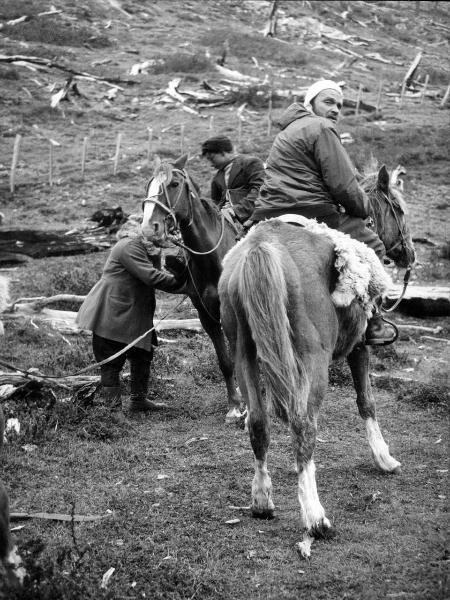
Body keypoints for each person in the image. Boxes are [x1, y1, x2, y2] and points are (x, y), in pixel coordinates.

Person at [247, 79, 395, 345]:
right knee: (374, 247)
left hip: (269, 211)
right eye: (328, 102)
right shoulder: (321, 127)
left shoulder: (286, 132)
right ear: (310, 104)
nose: (336, 109)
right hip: (312, 209)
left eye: (339, 105)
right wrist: (362, 208)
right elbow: (342, 183)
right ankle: (374, 324)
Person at [76, 216, 187, 413]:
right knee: (111, 361)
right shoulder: (129, 246)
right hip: (113, 311)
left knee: (142, 355)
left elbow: (157, 270)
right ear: (139, 229)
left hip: (133, 310)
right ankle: (113, 411)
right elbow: (151, 276)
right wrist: (184, 285)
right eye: (154, 227)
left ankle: (138, 401)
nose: (160, 231)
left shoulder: (144, 247)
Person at [201, 136, 265, 225]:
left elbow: (259, 190)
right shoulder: (216, 178)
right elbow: (215, 203)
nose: (211, 164)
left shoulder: (250, 163)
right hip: (227, 221)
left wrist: (236, 210)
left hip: (252, 218)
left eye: (212, 159)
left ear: (223, 153)